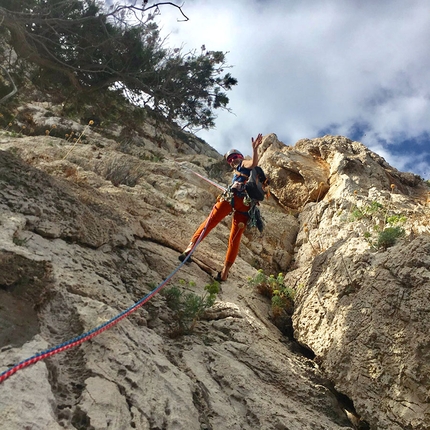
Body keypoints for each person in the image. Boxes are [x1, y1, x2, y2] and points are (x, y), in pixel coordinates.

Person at [178, 133, 263, 282]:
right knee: (234, 239)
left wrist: (255, 150)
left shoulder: (244, 164)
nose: (232, 161)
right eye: (230, 160)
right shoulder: (245, 173)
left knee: (210, 222)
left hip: (233, 198)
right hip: (246, 206)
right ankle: (224, 273)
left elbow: (254, 163)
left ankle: (189, 249)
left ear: (240, 157)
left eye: (234, 157)